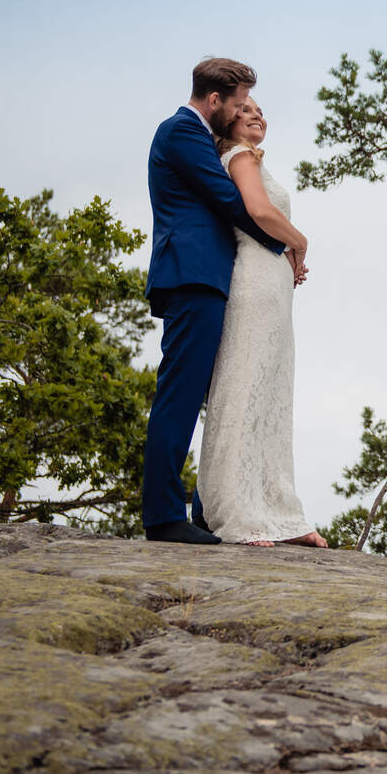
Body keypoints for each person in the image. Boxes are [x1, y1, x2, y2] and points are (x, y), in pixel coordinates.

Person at [141, 58, 286, 544]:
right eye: (238, 102)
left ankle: (208, 508)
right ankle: (163, 516)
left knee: (219, 397)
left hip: (213, 278)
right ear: (214, 100)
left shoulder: (200, 135)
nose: (243, 110)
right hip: (192, 277)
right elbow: (230, 200)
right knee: (179, 396)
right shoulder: (182, 132)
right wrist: (283, 248)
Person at [197, 98, 327, 548]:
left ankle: (279, 513)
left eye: (262, 110)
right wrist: (301, 243)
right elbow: (260, 212)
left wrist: (288, 255)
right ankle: (238, 512)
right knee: (246, 385)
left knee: (271, 392)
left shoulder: (251, 158)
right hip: (253, 279)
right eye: (246, 108)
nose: (257, 115)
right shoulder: (239, 156)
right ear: (227, 117)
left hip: (273, 283)